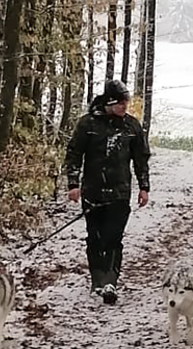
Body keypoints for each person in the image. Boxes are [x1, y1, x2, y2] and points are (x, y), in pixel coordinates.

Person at [64, 79, 151, 305]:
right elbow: (74, 154)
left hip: (120, 193)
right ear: (110, 103)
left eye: (126, 102)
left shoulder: (132, 127)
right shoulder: (88, 124)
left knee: (114, 238)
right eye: (121, 103)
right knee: (95, 237)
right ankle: (98, 279)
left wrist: (144, 186)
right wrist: (73, 184)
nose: (125, 107)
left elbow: (141, 158)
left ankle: (111, 280)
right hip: (93, 191)